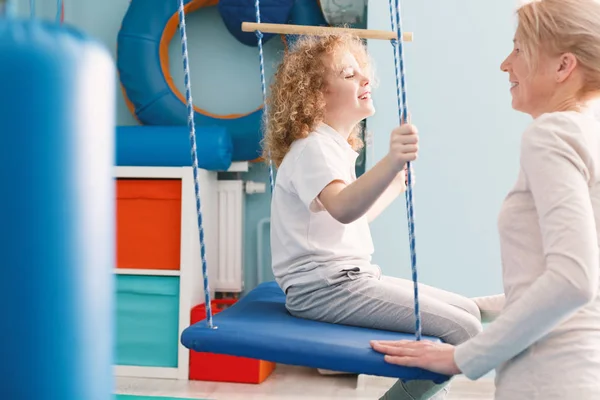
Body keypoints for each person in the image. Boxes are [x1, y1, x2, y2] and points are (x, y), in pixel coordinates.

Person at [371, 0, 600, 398]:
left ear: (563, 67)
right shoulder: (588, 132)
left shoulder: (551, 134)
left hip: (549, 378)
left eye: (519, 49)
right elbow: (554, 277)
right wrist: (468, 308)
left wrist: (461, 357)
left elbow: (573, 281)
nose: (505, 64)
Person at [263, 33, 483, 399]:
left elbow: (348, 222)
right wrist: (390, 161)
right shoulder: (312, 149)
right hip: (324, 289)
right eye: (348, 74)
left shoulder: (331, 148)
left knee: (466, 312)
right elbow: (344, 208)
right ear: (316, 95)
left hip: (345, 280)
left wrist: (393, 186)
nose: (364, 79)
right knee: (465, 330)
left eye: (362, 72)